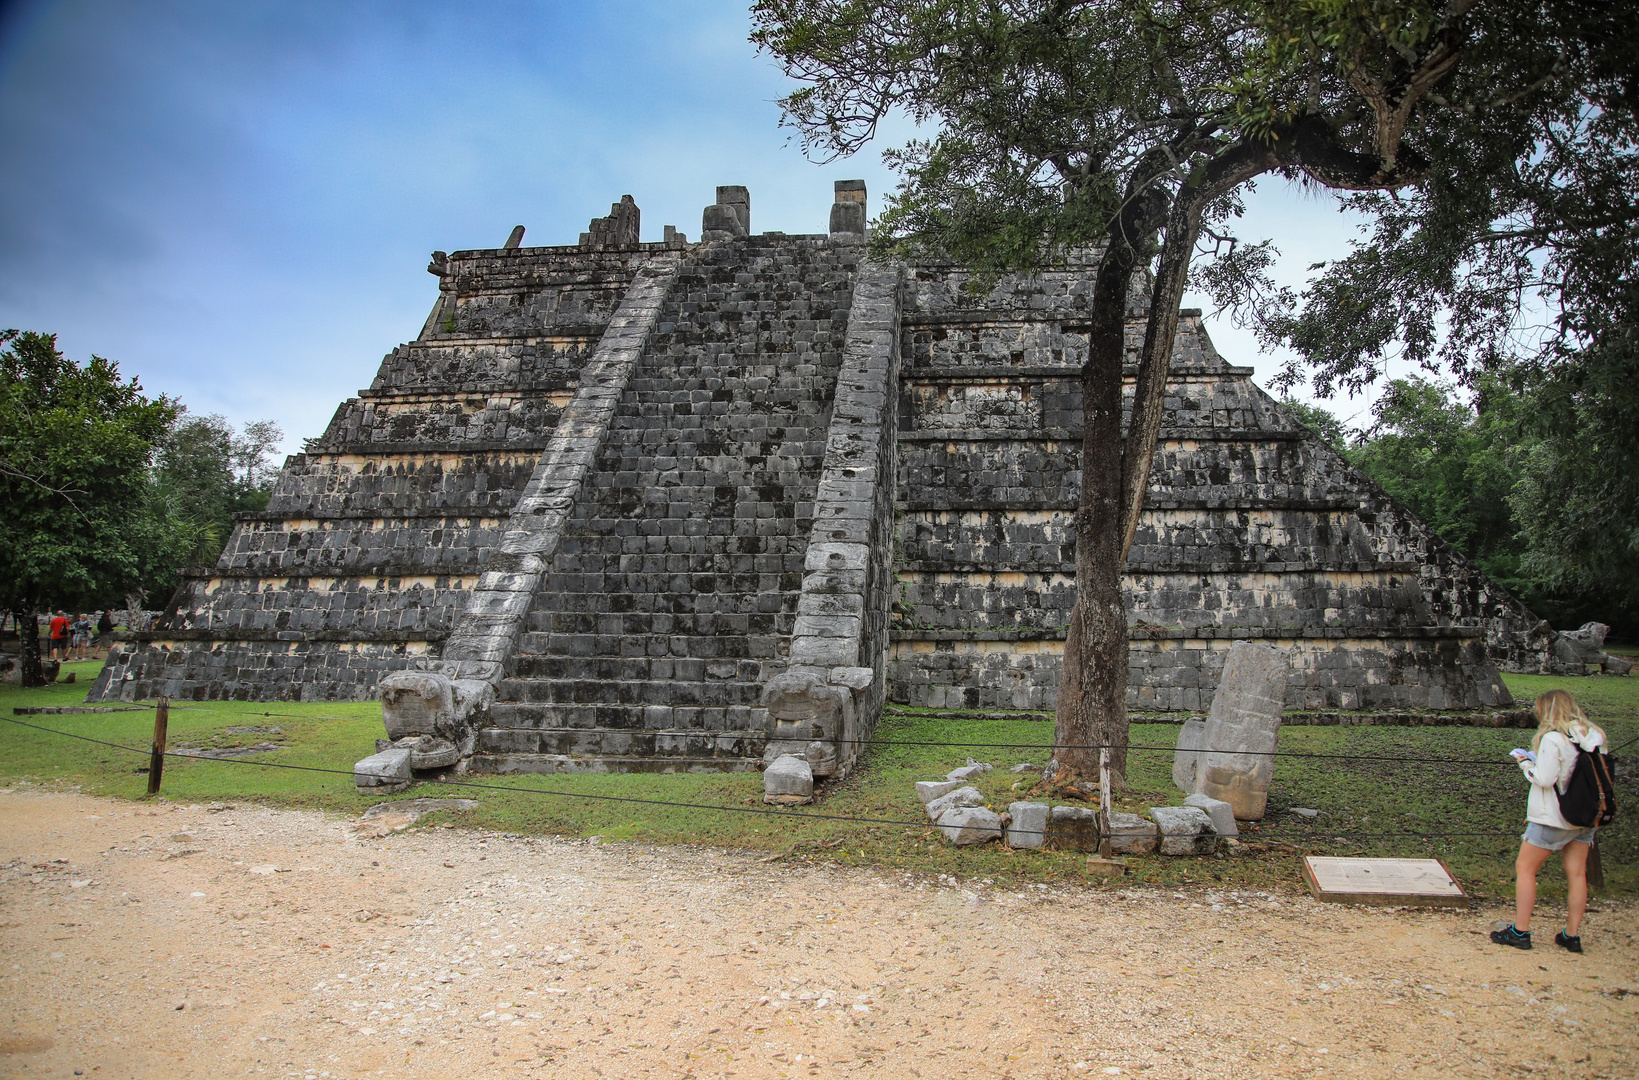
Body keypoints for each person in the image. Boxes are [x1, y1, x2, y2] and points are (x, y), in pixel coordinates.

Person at [1491, 690, 1606, 952]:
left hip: (1553, 816)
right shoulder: (1594, 735)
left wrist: (1525, 764)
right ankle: (1572, 934)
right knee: (1577, 873)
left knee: (1526, 869)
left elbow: (1544, 779)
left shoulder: (1553, 739)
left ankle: (1520, 931)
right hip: (1585, 815)